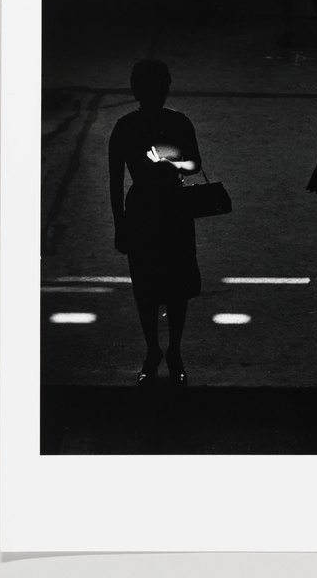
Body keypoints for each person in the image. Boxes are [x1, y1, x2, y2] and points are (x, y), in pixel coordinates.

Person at [108, 59, 203, 388]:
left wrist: (120, 224)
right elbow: (194, 165)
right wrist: (171, 161)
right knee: (173, 288)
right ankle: (172, 352)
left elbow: (115, 183)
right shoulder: (178, 122)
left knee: (147, 289)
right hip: (172, 208)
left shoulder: (123, 127)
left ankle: (156, 352)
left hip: (143, 210)